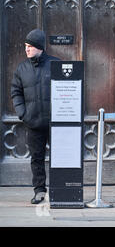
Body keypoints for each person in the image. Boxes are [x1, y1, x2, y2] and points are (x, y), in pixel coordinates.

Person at [11, 29, 60, 204]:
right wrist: (22, 113)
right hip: (33, 122)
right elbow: (15, 91)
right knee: (36, 158)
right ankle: (39, 191)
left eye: (30, 46)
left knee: (58, 157)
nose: (27, 49)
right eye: (26, 46)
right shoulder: (22, 68)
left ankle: (58, 190)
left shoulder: (56, 64)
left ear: (39, 47)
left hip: (56, 123)